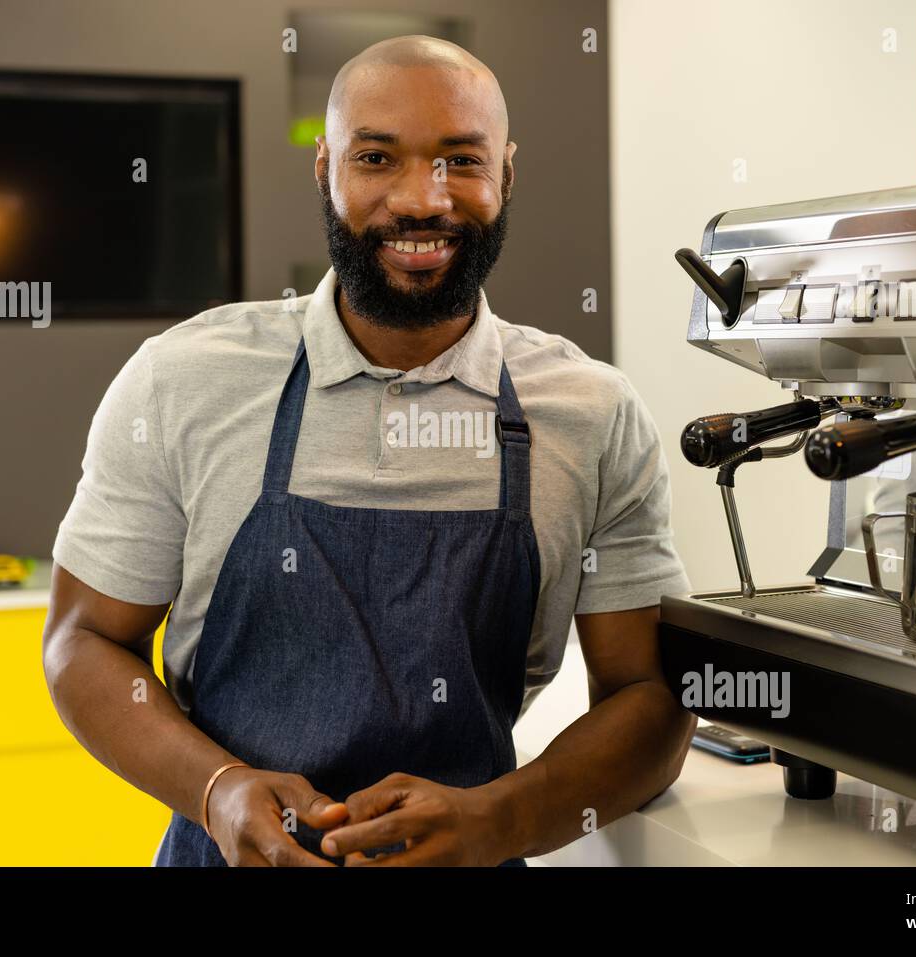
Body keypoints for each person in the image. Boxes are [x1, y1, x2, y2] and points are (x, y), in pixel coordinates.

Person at [42, 35, 695, 867]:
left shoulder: (594, 415)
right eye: (377, 157)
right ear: (325, 170)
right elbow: (82, 641)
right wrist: (217, 789)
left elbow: (651, 695)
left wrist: (501, 818)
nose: (423, 201)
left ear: (507, 174)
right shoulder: (183, 381)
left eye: (462, 160)